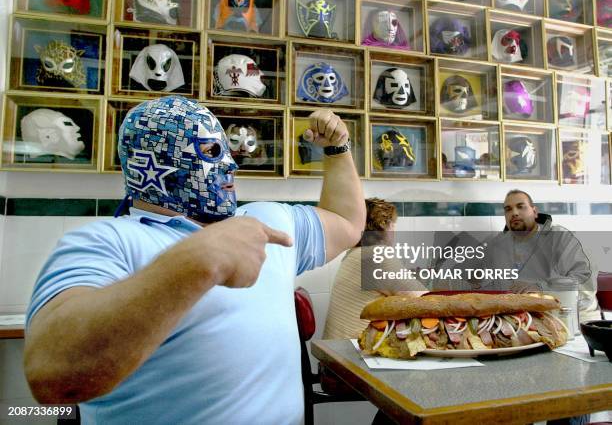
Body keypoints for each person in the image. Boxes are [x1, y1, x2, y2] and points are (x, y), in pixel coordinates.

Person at [23, 96, 366, 425]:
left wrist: (336, 150)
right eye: (212, 151)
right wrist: (200, 258)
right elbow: (53, 376)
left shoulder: (265, 221)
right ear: (156, 160)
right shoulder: (105, 241)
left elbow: (346, 223)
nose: (231, 164)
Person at [323, 198, 426, 340]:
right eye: (393, 224)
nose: (394, 230)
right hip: (352, 353)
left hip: (334, 351)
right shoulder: (378, 256)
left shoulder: (355, 253)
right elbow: (424, 302)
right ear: (385, 226)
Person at [492, 189, 599, 322]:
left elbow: (585, 284)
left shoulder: (561, 238)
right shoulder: (498, 245)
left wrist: (542, 289)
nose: (514, 213)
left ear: (535, 212)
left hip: (572, 319)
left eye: (521, 207)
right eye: (508, 209)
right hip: (523, 320)